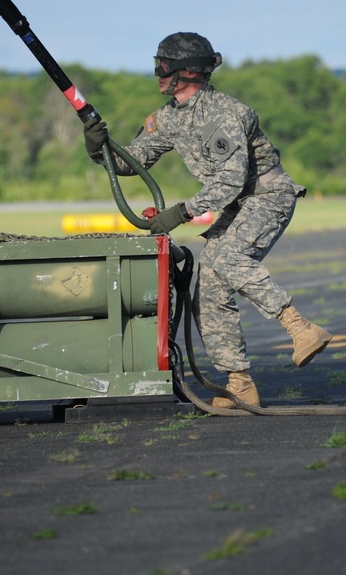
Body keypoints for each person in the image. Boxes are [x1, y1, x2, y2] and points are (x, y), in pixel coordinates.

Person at [83, 32, 332, 407]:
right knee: (210, 289)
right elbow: (129, 163)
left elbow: (231, 178)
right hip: (236, 205)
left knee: (229, 259)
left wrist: (181, 212)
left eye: (164, 66)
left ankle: (301, 327)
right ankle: (239, 384)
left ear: (188, 72)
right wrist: (97, 146)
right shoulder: (167, 119)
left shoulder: (226, 113)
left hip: (268, 197)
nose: (158, 73)